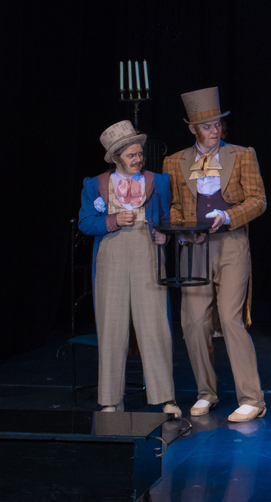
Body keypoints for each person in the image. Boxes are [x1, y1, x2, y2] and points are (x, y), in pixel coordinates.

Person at [163, 87, 267, 423]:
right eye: (207, 127)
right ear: (192, 129)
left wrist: (229, 216)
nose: (215, 131)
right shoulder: (173, 161)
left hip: (231, 243)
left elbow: (258, 200)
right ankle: (206, 392)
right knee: (193, 323)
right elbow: (174, 206)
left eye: (217, 125)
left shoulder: (242, 154)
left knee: (231, 319)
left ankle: (252, 398)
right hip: (193, 247)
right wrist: (183, 226)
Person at [78, 121, 179, 417]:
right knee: (112, 327)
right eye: (132, 155)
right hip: (112, 255)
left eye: (140, 154)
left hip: (147, 254)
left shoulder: (158, 181)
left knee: (155, 325)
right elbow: (85, 222)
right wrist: (111, 221)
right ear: (116, 157)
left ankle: (165, 398)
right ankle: (111, 399)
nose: (138, 159)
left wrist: (164, 234)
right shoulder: (94, 184)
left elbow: (165, 218)